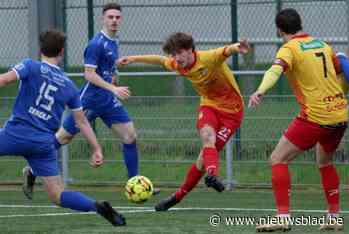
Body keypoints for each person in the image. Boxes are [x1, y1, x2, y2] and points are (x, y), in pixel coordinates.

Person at [22, 2, 151, 199]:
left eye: (117, 17)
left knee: (130, 137)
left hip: (107, 101)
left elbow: (105, 69)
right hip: (89, 100)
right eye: (110, 17)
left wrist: (115, 70)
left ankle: (134, 184)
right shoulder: (95, 44)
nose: (114, 20)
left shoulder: (114, 41)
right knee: (63, 137)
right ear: (103, 19)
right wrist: (113, 88)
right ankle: (31, 170)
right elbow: (89, 75)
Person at [0, 29, 126, 226]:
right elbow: (81, 121)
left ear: (41, 48)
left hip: (16, 133)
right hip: (43, 144)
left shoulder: (30, 66)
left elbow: (4, 80)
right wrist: (96, 148)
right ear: (61, 52)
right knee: (58, 195)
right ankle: (96, 206)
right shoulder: (69, 85)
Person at [118, 32, 250, 211]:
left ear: (190, 50)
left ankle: (178, 196)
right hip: (209, 106)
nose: (176, 58)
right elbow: (159, 60)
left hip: (232, 113)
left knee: (202, 160)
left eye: (179, 53)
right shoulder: (178, 64)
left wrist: (237, 48)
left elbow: (225, 50)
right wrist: (133, 58)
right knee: (206, 136)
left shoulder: (208, 58)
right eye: (173, 54)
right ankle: (212, 175)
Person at [248, 9, 347, 232]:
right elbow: (343, 71)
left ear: (279, 30)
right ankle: (334, 217)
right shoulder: (323, 44)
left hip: (315, 117)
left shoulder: (289, 48)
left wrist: (260, 91)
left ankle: (283, 217)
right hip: (340, 114)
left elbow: (275, 70)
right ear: (301, 24)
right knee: (325, 162)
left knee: (278, 158)